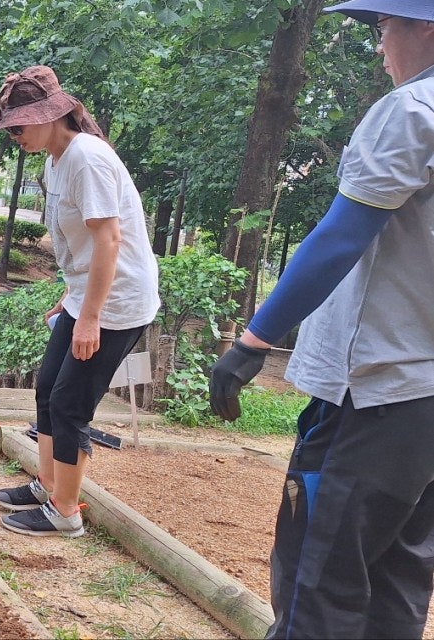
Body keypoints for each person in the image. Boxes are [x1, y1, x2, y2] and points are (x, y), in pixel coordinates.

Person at [208, 3, 434, 637]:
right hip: (426, 405)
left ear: (426, 27)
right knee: (398, 582)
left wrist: (253, 341)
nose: (378, 45)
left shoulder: (412, 111)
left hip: (376, 390)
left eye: (384, 27)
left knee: (321, 584)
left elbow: (342, 236)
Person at [0, 66, 160, 538]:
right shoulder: (55, 160)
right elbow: (76, 242)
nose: (14, 136)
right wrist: (70, 297)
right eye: (9, 129)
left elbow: (109, 241)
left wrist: (91, 318)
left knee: (70, 404)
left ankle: (66, 512)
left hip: (116, 303)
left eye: (18, 126)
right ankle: (48, 483)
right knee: (47, 389)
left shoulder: (86, 158)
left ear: (50, 116)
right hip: (86, 295)